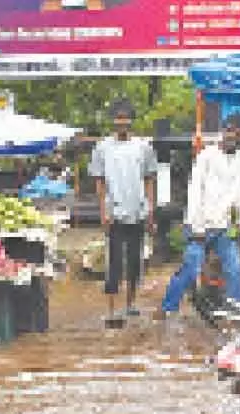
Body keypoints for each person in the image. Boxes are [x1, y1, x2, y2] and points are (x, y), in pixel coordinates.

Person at [158, 112, 240, 318]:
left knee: (234, 270)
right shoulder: (206, 156)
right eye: (229, 130)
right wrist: (197, 227)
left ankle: (238, 312)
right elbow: (194, 190)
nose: (232, 136)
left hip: (224, 225)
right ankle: (167, 307)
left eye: (238, 133)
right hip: (201, 224)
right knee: (191, 267)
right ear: (223, 132)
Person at [89, 97, 158, 324]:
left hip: (137, 211)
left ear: (131, 121)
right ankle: (111, 310)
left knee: (135, 262)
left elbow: (149, 179)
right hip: (114, 213)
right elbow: (99, 182)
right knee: (114, 263)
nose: (122, 122)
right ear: (112, 121)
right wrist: (103, 211)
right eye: (118, 118)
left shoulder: (143, 147)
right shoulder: (102, 148)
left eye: (125, 118)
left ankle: (130, 304)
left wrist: (150, 210)